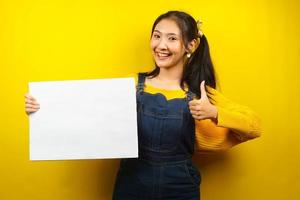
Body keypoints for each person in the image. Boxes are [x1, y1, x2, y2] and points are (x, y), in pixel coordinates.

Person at [25, 10, 261, 200]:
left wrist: (215, 112)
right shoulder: (130, 86)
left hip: (180, 186)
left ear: (191, 45)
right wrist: (42, 110)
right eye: (156, 36)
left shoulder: (200, 95)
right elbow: (84, 113)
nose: (161, 45)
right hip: (132, 184)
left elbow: (254, 126)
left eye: (172, 38)